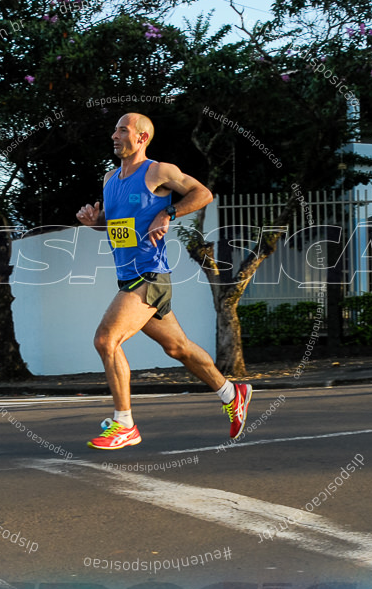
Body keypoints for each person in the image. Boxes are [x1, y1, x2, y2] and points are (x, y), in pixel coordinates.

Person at [76, 112, 252, 450]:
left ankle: (124, 423)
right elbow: (116, 229)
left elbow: (203, 194)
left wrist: (167, 212)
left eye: (122, 130)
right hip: (128, 277)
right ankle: (233, 392)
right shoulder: (110, 178)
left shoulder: (157, 171)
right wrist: (94, 222)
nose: (114, 135)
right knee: (178, 347)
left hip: (150, 275)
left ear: (141, 138)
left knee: (105, 339)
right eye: (114, 129)